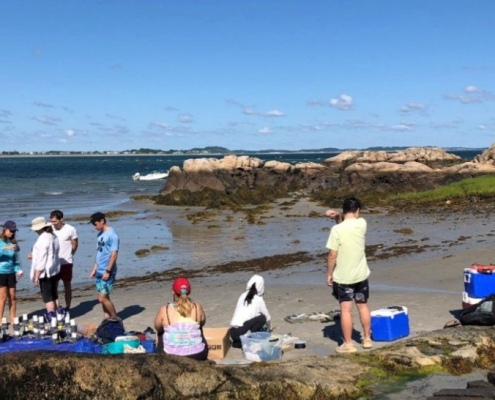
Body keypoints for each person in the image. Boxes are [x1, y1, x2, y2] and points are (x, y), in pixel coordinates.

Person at [326, 197, 372, 353]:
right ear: (358, 210)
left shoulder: (337, 230)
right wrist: (338, 216)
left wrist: (329, 273)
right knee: (362, 305)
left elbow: (332, 254)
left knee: (346, 310)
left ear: (343, 210)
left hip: (344, 277)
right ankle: (366, 339)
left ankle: (348, 344)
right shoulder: (362, 224)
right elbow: (349, 222)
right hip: (361, 274)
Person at [154, 277, 208, 360]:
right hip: (198, 354)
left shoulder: (165, 310)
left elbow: (157, 327)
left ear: (173, 292)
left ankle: (163, 356)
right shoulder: (197, 307)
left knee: (160, 332)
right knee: (199, 326)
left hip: (171, 356)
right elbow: (203, 322)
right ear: (189, 291)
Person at [29, 217, 61, 322]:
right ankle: (58, 315)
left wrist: (36, 275)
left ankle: (52, 317)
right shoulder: (53, 236)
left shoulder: (43, 238)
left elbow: (42, 258)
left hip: (46, 272)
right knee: (54, 294)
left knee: (48, 297)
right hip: (55, 270)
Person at [89, 212, 119, 319]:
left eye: (95, 224)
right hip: (99, 270)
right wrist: (94, 268)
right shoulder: (100, 234)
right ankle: (107, 318)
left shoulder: (112, 235)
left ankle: (115, 318)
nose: (94, 226)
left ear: (102, 221)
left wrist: (108, 271)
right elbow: (99, 253)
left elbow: (114, 254)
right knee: (105, 297)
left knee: (101, 298)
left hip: (107, 271)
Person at [229, 274, 272, 348]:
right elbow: (267, 317)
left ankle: (239, 342)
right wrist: (269, 327)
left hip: (232, 332)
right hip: (242, 331)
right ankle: (247, 337)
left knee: (253, 319)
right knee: (262, 318)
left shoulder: (242, 295)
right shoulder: (258, 299)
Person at [50, 210, 78, 312]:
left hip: (67, 262)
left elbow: (74, 244)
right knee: (54, 285)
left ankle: (68, 306)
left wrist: (70, 255)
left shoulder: (70, 229)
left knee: (67, 284)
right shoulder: (49, 229)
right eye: (51, 221)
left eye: (55, 221)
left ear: (61, 219)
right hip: (54, 262)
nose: (53, 223)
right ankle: (57, 307)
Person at [0, 221, 24, 324]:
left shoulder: (14, 242)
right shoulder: (0, 241)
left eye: (14, 231)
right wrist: (5, 248)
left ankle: (13, 318)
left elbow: (16, 259)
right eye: (10, 231)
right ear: (5, 229)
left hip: (11, 273)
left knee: (13, 296)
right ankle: (0, 319)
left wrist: (18, 270)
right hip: (1, 272)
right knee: (3, 297)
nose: (12, 233)